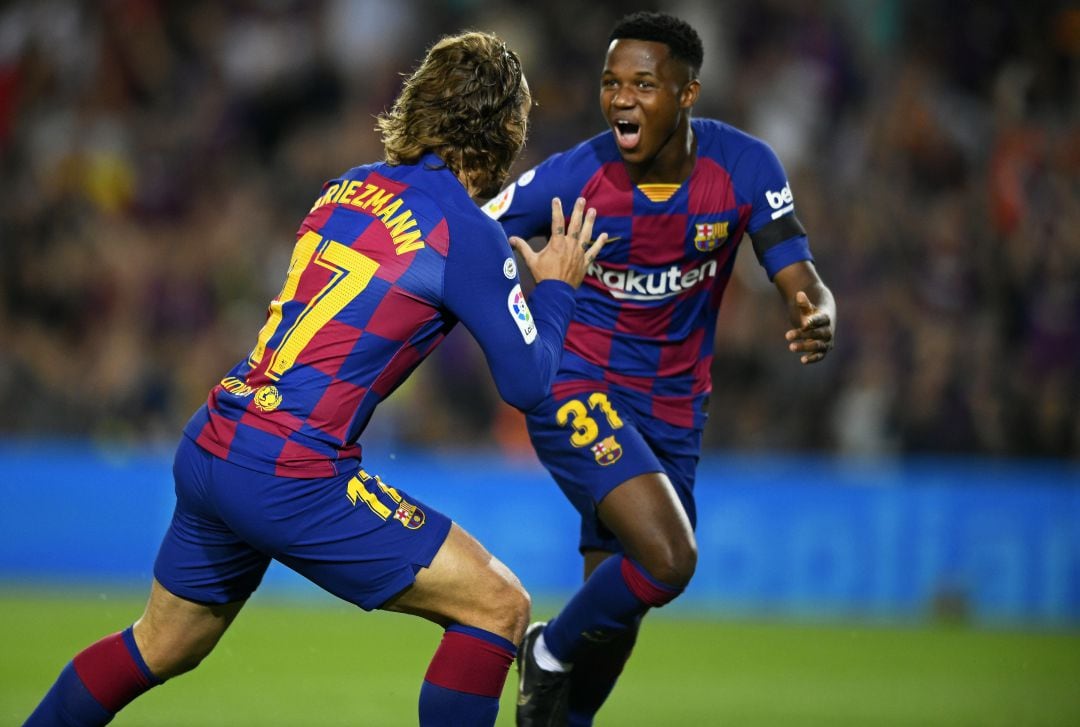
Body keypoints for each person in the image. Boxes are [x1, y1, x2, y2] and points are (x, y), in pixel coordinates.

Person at [26, 31, 606, 727]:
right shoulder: (465, 232)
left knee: (160, 643)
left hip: (217, 436)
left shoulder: (346, 187)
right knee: (498, 604)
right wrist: (556, 286)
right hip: (291, 469)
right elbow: (527, 383)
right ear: (505, 131)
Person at [483, 11, 837, 726]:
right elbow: (476, 229)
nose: (620, 98)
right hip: (577, 383)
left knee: (617, 611)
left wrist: (816, 308)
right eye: (612, 82)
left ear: (687, 94)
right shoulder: (575, 177)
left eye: (642, 83)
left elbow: (800, 274)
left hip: (675, 410)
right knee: (671, 558)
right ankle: (544, 649)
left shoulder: (745, 167)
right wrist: (512, 312)